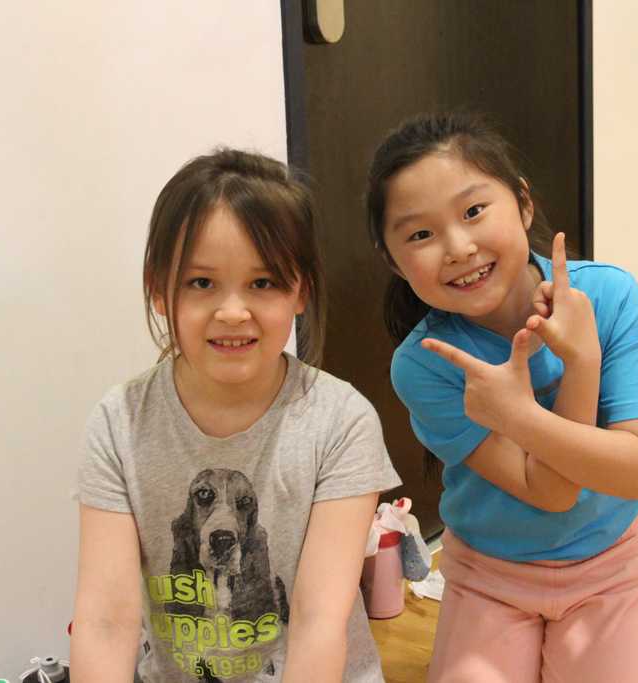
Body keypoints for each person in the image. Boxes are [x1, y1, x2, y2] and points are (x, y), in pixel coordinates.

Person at [71, 149, 401, 683]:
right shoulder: (119, 424)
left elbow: (317, 621)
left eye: (263, 283)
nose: (232, 312)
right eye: (201, 283)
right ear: (159, 289)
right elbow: (106, 622)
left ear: (301, 289)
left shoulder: (341, 422)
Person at [365, 113, 638, 683]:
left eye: (473, 211)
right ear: (392, 260)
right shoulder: (425, 361)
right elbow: (551, 492)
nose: (459, 248)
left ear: (523, 204)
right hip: (490, 575)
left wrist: (580, 360)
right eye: (420, 235)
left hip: (612, 565)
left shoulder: (608, 295)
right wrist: (545, 398)